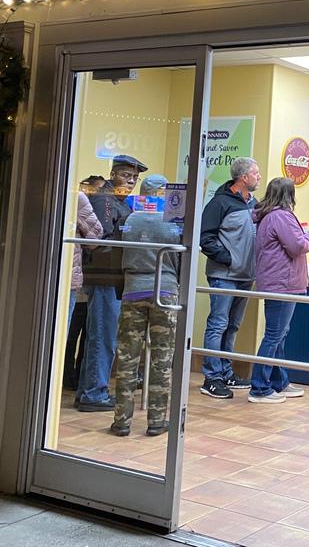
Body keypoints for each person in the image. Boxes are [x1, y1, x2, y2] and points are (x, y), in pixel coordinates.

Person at [111, 175, 181, 437]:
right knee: (162, 360)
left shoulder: (130, 219)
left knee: (128, 359)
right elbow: (180, 258)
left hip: (133, 290)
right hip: (165, 290)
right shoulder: (172, 221)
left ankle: (121, 422)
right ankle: (156, 421)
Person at [75, 154, 146, 412]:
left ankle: (89, 391)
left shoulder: (117, 200)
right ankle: (94, 394)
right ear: (113, 173)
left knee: (101, 335)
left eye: (135, 178)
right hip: (104, 275)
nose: (130, 182)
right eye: (126, 176)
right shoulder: (105, 199)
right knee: (103, 337)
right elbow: (104, 239)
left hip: (108, 276)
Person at [248, 177, 309, 403]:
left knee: (279, 335)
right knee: (274, 335)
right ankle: (258, 388)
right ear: (290, 195)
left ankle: (279, 381)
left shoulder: (267, 216)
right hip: (282, 284)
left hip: (276, 281)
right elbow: (298, 247)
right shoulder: (281, 216)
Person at [198, 157, 260, 399]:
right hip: (224, 276)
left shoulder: (253, 203)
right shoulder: (220, 203)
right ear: (244, 177)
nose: (259, 177)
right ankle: (211, 378)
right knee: (218, 325)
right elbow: (205, 238)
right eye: (256, 173)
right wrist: (230, 259)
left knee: (232, 327)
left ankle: (225, 371)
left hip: (246, 276)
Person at [62, 176, 103, 391]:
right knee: (66, 332)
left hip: (34, 275)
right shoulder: (75, 198)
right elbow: (95, 237)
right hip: (69, 277)